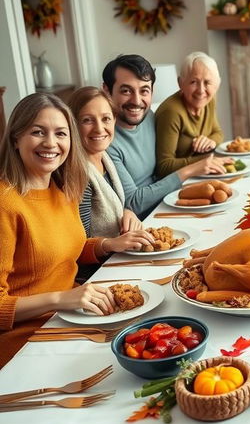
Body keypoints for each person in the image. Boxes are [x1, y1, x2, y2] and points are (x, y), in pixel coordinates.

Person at [0, 93, 151, 330]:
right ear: (16, 139)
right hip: (28, 334)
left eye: (60, 133)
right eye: (38, 132)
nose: (51, 143)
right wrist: (60, 298)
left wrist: (107, 245)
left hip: (71, 314)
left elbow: (67, 250)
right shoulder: (5, 204)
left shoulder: (63, 189)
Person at [103, 54, 227, 219]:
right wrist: (190, 169)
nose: (137, 100)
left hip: (169, 202)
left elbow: (164, 165)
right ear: (106, 90)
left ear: (152, 91)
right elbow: (133, 203)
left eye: (144, 91)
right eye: (126, 91)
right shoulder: (106, 141)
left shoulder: (148, 118)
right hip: (146, 220)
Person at [68, 86, 149, 239]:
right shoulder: (79, 174)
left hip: (119, 253)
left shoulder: (105, 157)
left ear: (114, 120)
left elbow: (115, 205)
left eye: (106, 119)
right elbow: (80, 244)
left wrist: (127, 213)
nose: (99, 129)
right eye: (87, 120)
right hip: (103, 261)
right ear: (73, 125)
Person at [155, 52, 225, 178]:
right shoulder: (171, 112)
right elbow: (163, 167)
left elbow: (218, 133)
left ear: (217, 84)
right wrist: (205, 161)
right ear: (180, 83)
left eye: (207, 82)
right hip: (176, 183)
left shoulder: (209, 100)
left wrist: (211, 141)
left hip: (199, 176)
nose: (201, 90)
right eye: (193, 82)